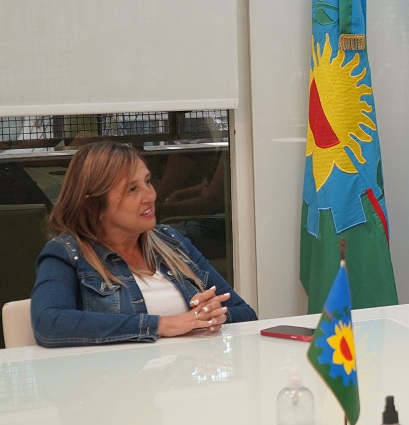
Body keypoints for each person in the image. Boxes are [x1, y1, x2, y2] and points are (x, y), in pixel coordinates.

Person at [31, 140, 257, 347]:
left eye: (148, 182)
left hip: (187, 373)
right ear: (93, 205)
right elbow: (49, 323)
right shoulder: (67, 253)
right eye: (132, 189)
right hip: (119, 377)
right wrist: (162, 325)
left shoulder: (172, 241)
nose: (150, 196)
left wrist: (215, 316)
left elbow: (245, 313)